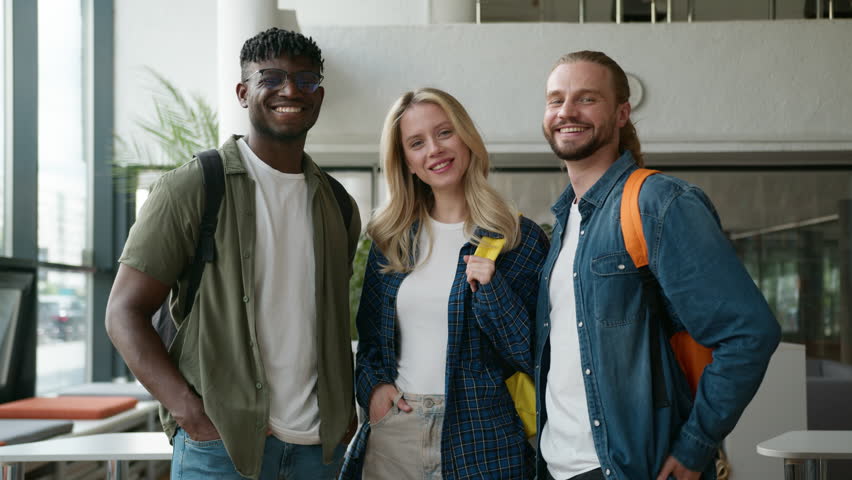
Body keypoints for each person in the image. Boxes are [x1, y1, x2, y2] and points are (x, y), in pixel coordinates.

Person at [105, 28, 360, 480]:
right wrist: (189, 413)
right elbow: (123, 312)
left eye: (306, 80)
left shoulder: (338, 205)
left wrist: (343, 415)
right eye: (272, 77)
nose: (290, 90)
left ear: (319, 97)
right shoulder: (194, 186)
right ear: (243, 93)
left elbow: (330, 320)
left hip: (317, 452)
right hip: (220, 448)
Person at [534, 50, 781, 480]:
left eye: (587, 99)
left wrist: (695, 447)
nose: (567, 112)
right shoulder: (564, 223)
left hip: (629, 469)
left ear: (622, 113)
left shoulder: (658, 203)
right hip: (557, 467)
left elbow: (749, 332)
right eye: (556, 100)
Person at [339, 88, 549, 479]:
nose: (434, 149)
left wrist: (493, 290)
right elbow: (369, 342)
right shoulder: (392, 241)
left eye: (445, 133)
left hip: (483, 436)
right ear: (408, 164)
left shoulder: (519, 238)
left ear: (467, 139)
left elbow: (535, 352)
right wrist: (373, 390)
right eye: (417, 143)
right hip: (397, 429)